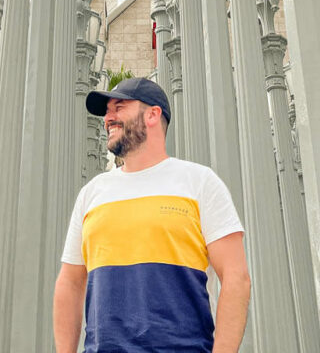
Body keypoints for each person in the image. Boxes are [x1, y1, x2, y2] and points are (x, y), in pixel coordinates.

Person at [52, 77, 250, 353]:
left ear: (153, 114)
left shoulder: (199, 182)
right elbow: (70, 281)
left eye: (119, 107)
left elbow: (235, 277)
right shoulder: (92, 193)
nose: (108, 118)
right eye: (107, 111)